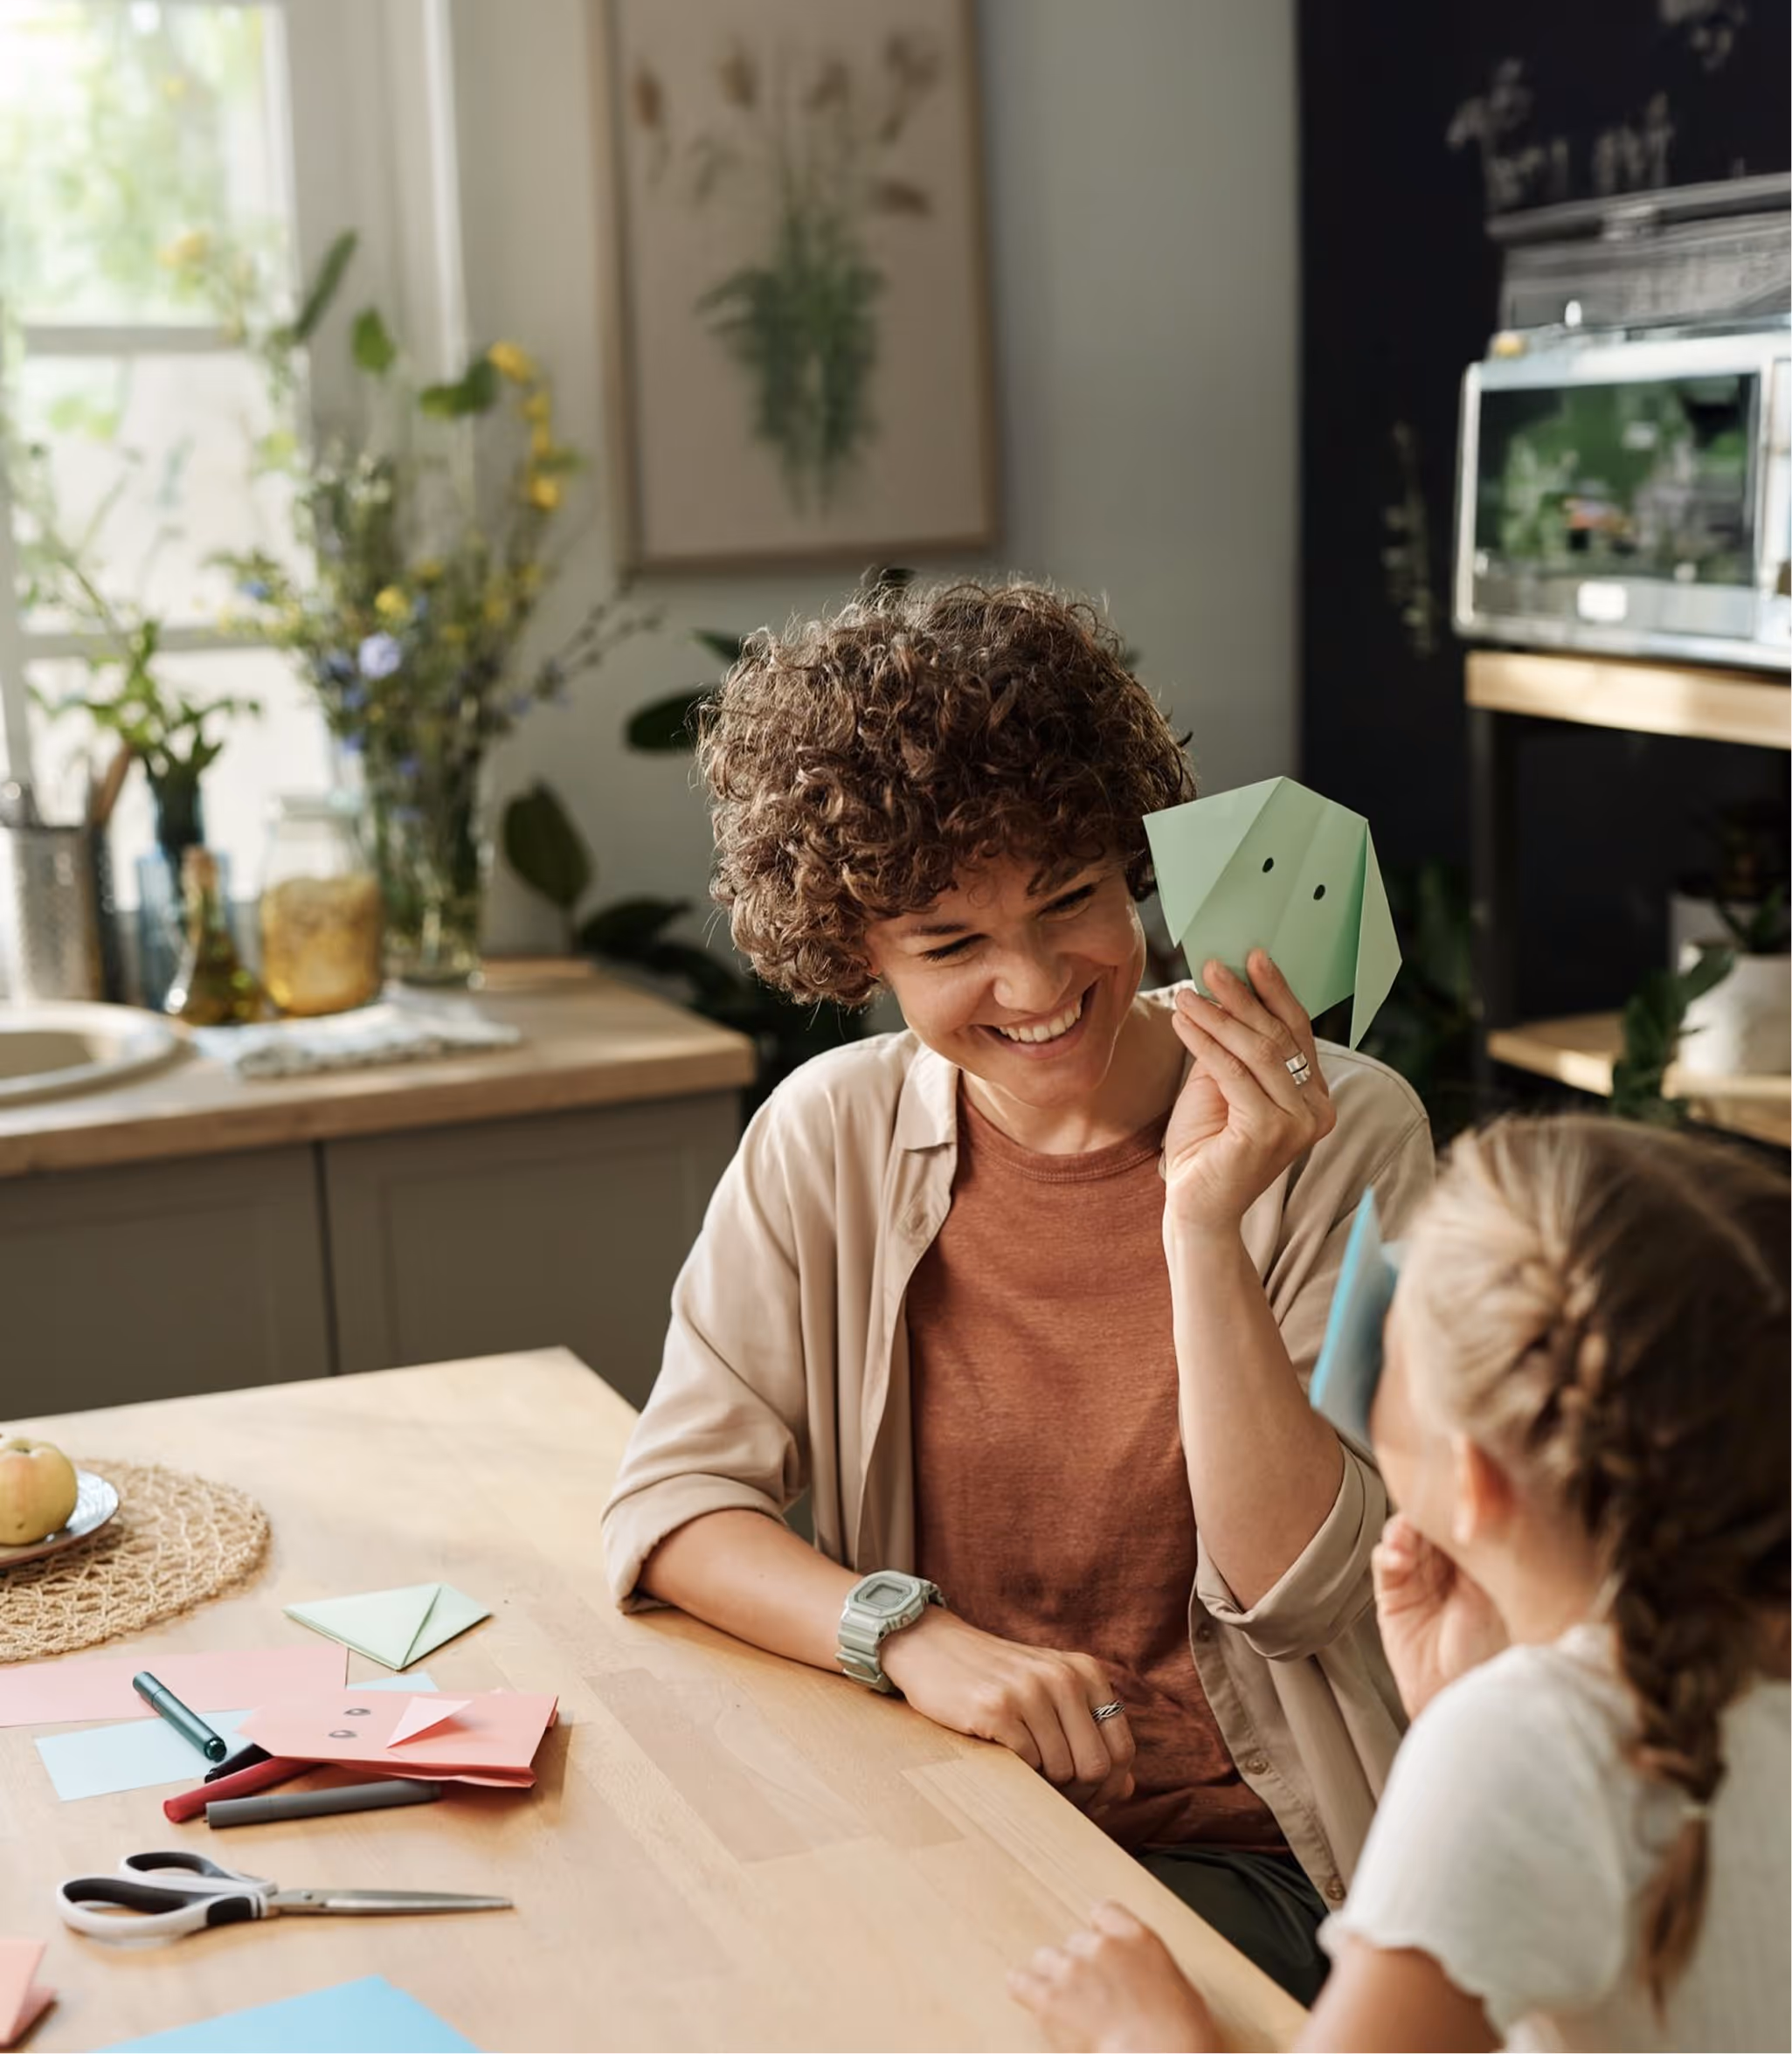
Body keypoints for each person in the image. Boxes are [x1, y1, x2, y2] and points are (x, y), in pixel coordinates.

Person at [601, 578, 1433, 1999]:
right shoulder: (830, 1136)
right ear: (855, 946)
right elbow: (673, 1508)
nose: (1038, 980)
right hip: (950, 1802)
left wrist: (1201, 1223)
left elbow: (1306, 1590)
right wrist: (908, 1633)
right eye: (951, 945)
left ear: (1133, 864)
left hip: (1254, 1854)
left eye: (1073, 898)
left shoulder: (1342, 1129)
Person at [1010, 1115, 1791, 2052]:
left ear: (1470, 1476)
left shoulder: (1523, 1741)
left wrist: (1155, 2037)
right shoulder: (1701, 1685)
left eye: (1388, 1332)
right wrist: (1457, 1704)